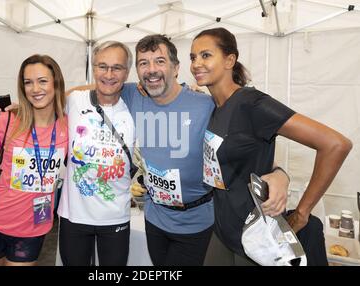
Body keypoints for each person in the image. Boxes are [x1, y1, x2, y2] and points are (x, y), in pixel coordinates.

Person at [118, 34, 290, 266]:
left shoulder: (206, 105)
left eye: (159, 61)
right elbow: (102, 84)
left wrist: (280, 173)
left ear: (176, 68)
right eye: (143, 63)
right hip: (155, 217)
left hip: (198, 222)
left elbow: (244, 149)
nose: (151, 70)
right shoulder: (132, 95)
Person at [189, 27, 352, 265]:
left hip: (256, 239)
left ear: (229, 60)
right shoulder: (215, 107)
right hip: (223, 230)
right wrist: (278, 173)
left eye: (206, 55)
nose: (196, 64)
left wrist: (302, 214)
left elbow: (336, 144)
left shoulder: (251, 104)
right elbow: (248, 155)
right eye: (193, 57)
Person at [0, 54, 68, 266]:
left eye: (43, 81)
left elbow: (94, 90)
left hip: (33, 227)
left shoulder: (69, 126)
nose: (35, 89)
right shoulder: (7, 121)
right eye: (28, 82)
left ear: (56, 83)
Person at [57, 41, 136, 266]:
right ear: (94, 69)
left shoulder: (134, 109)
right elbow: (40, 105)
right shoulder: (74, 100)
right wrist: (15, 109)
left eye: (117, 68)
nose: (109, 74)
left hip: (115, 218)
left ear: (127, 72)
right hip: (74, 216)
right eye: (102, 66)